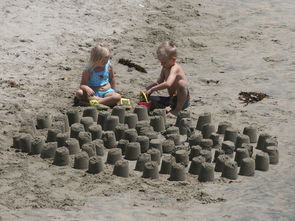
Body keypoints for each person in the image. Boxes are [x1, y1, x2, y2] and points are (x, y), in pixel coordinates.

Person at [145, 41, 190, 118]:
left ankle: (177, 110)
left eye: (164, 62)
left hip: (182, 101)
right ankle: (171, 106)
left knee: (182, 84)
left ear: (173, 59)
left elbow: (168, 84)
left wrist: (152, 89)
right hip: (171, 99)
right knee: (151, 99)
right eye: (161, 62)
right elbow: (158, 82)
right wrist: (147, 89)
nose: (162, 64)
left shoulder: (175, 68)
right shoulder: (165, 67)